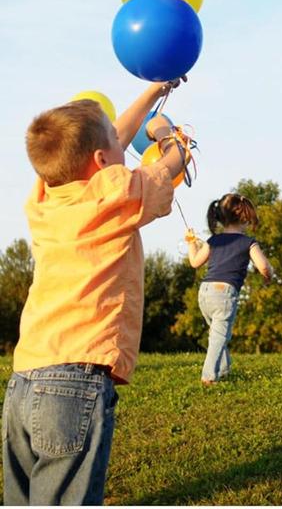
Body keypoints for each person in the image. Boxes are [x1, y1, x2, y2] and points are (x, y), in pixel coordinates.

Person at [2, 81, 189, 506]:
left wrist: (152, 92)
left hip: (25, 379)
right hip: (75, 382)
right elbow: (168, 168)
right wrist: (170, 137)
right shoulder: (117, 195)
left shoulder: (44, 197)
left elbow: (111, 142)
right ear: (103, 161)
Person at [185, 193, 274, 385]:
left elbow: (194, 262)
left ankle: (225, 370)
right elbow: (264, 266)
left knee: (217, 332)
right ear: (244, 216)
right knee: (219, 336)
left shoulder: (213, 240)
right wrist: (269, 275)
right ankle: (208, 377)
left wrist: (191, 244)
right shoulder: (249, 242)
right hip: (224, 294)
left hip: (205, 292)